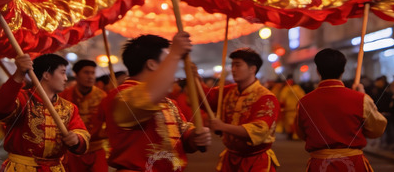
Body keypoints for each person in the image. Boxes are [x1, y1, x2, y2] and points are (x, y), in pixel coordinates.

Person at [102, 32, 212, 171]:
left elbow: (180, 133)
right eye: (167, 62)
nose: (174, 72)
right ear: (152, 65)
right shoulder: (120, 96)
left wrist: (194, 137)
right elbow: (145, 99)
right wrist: (174, 54)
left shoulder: (168, 101)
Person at [0, 53, 90, 171]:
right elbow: (0, 109)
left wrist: (76, 139)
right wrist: (19, 74)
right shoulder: (22, 99)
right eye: (63, 72)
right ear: (47, 75)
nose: (66, 78)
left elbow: (81, 132)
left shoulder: (69, 107)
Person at [295, 48, 386, 172]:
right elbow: (377, 129)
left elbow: (301, 133)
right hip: (353, 164)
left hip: (320, 164)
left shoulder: (303, 102)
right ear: (343, 70)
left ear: (317, 70)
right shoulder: (360, 99)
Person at [206, 48, 281, 171]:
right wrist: (194, 78)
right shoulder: (228, 91)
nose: (233, 69)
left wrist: (223, 127)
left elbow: (258, 130)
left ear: (253, 69)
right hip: (230, 159)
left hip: (256, 161)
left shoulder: (266, 97)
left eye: (238, 65)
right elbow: (206, 97)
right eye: (232, 65)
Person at [60, 59, 108, 172]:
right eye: (86, 72)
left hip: (96, 148)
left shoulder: (103, 96)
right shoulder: (64, 96)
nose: (90, 76)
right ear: (76, 75)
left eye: (93, 73)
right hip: (73, 150)